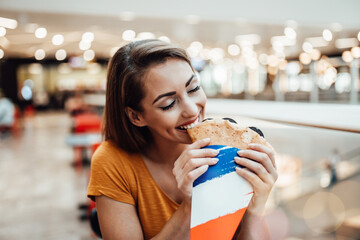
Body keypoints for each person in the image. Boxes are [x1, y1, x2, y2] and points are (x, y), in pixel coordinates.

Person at [87, 39, 278, 240]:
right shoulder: (112, 161)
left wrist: (257, 205)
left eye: (194, 88)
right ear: (136, 116)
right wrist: (190, 207)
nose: (192, 109)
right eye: (169, 104)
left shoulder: (227, 151)